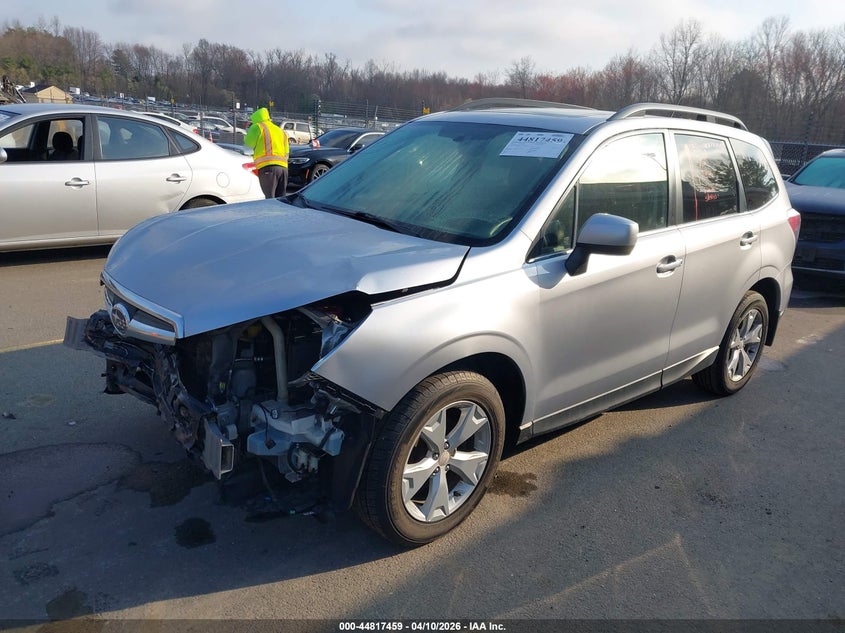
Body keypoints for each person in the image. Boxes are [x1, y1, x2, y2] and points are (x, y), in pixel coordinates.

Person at [245, 107, 289, 198]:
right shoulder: (280, 130)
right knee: (281, 199)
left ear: (255, 118)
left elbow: (247, 147)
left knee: (269, 199)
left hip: (268, 168)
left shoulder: (257, 127)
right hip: (283, 169)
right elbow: (287, 153)